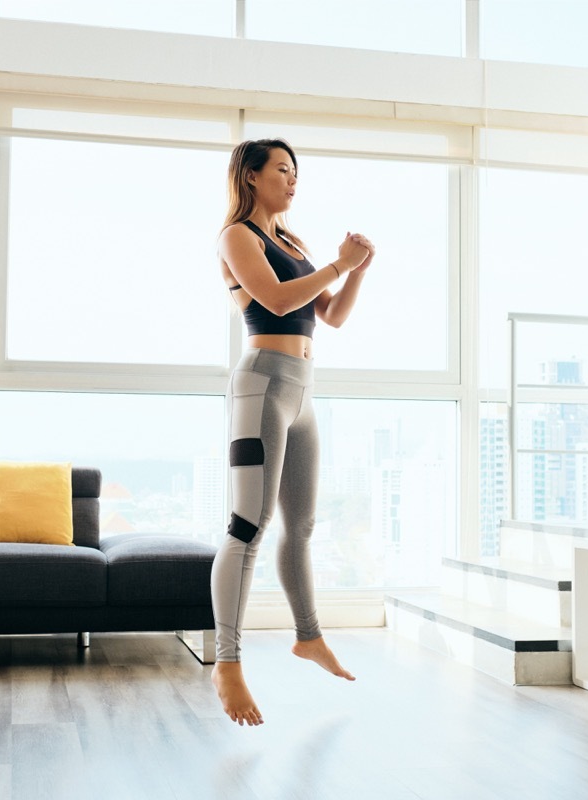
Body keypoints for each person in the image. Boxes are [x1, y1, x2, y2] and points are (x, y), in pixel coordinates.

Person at [211, 138, 374, 726]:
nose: (293, 179)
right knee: (247, 525)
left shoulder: (292, 242)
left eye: (296, 171)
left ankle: (308, 636)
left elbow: (328, 316)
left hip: (302, 391)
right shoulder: (239, 237)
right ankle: (227, 663)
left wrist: (356, 272)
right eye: (282, 169)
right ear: (251, 177)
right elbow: (277, 301)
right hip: (262, 386)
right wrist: (339, 264)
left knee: (300, 525)